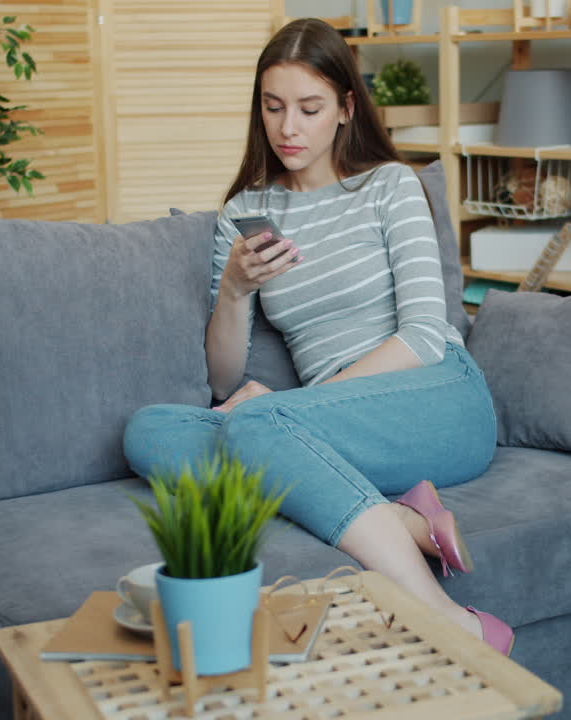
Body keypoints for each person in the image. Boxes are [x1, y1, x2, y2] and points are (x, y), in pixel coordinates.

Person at [123, 18, 510, 655]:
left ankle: (452, 621)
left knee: (255, 426)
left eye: (309, 108)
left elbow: (422, 336)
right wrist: (235, 289)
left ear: (345, 109)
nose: (288, 128)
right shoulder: (248, 212)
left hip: (437, 398)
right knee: (149, 430)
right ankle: (406, 519)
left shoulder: (389, 186)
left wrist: (293, 407)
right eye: (273, 107)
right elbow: (223, 380)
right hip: (340, 428)